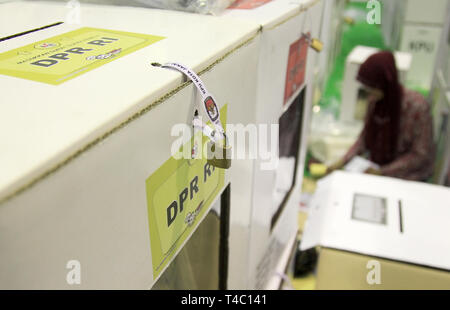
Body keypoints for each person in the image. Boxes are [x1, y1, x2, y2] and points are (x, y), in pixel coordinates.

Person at [329, 51, 435, 182]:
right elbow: (364, 138)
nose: (370, 93)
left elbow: (420, 155)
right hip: (378, 170)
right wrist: (341, 162)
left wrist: (383, 172)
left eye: (373, 87)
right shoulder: (376, 102)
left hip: (409, 177)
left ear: (385, 84)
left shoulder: (417, 107)